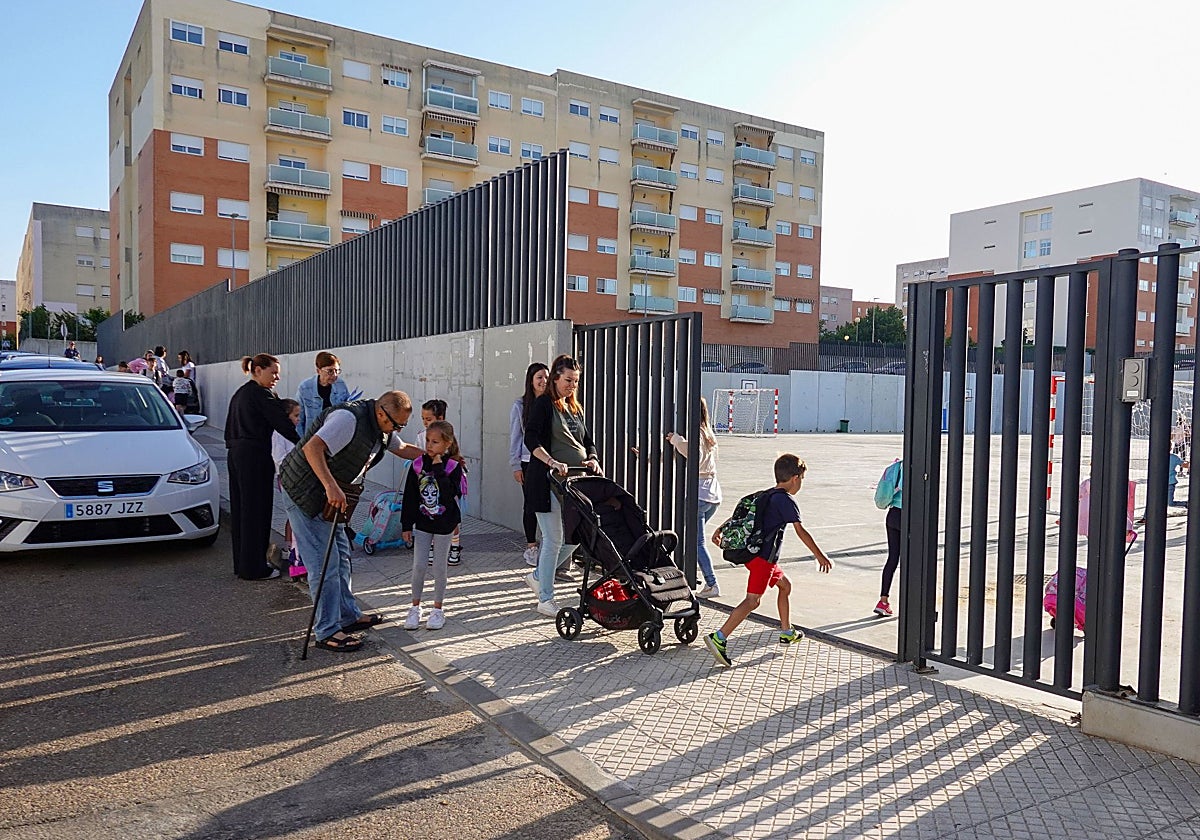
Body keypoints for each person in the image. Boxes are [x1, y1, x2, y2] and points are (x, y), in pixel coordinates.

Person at [279, 390, 423, 652]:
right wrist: (331, 486)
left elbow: (401, 449)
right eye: (397, 424)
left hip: (330, 497)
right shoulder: (348, 419)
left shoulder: (382, 426)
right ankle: (327, 631)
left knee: (342, 557)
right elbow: (313, 448)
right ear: (381, 412)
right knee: (325, 564)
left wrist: (437, 457)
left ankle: (348, 615)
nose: (398, 429)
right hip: (304, 492)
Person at [703, 454, 833, 667]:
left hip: (755, 556)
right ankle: (719, 637)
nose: (801, 483)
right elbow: (801, 532)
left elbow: (741, 517)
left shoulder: (765, 494)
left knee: (785, 585)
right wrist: (819, 555)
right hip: (763, 560)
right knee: (753, 601)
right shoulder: (786, 500)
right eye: (801, 479)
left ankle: (786, 631)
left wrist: (720, 528)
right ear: (795, 478)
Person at [523, 355, 601, 617]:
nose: (572, 386)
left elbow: (588, 440)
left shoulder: (574, 406)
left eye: (576, 381)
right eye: (568, 380)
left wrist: (592, 458)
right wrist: (551, 461)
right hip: (547, 483)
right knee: (554, 539)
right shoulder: (544, 404)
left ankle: (538, 576)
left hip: (573, 482)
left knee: (577, 536)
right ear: (555, 378)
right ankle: (545, 598)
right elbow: (531, 437)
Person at [225, 353, 300, 580]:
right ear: (258, 370)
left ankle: (243, 564)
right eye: (273, 372)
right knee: (256, 512)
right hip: (254, 458)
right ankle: (255, 568)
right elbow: (284, 424)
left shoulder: (241, 393)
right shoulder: (261, 394)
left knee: (242, 511)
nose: (276, 377)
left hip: (236, 455)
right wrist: (306, 445)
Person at [401, 420, 468, 631]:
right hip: (422, 523)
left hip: (444, 524)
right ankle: (415, 607)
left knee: (439, 567)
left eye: (435, 442)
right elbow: (410, 497)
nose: (430, 445)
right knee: (419, 566)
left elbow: (449, 495)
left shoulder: (453, 467)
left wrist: (439, 469)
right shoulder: (418, 465)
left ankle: (438, 609)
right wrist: (406, 525)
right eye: (428, 441)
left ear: (447, 444)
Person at [665, 396, 723, 598]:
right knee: (691, 537)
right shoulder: (708, 433)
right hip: (713, 494)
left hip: (699, 493)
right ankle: (685, 572)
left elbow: (693, 455)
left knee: (696, 541)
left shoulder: (696, 434)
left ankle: (712, 583)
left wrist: (677, 440)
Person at [510, 362, 549, 567]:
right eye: (539, 377)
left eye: (545, 377)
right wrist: (515, 465)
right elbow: (516, 437)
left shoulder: (553, 402)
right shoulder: (521, 405)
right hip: (528, 461)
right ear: (531, 381)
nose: (543, 381)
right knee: (530, 505)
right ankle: (531, 547)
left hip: (550, 462)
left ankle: (548, 546)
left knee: (549, 506)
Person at [417, 399, 463, 566]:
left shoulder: (447, 436)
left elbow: (454, 459)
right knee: (430, 513)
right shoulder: (420, 436)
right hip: (428, 484)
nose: (425, 422)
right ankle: (430, 546)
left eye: (429, 419)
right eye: (423, 418)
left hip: (446, 483)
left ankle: (455, 546)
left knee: (451, 515)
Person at [271, 399, 305, 580]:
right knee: (296, 514)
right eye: (296, 415)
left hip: (294, 478)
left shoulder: (289, 432)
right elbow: (279, 458)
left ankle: (289, 547)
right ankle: (293, 554)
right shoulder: (279, 434)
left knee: (293, 514)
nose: (299, 419)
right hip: (288, 479)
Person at [295, 351, 351, 437]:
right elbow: (299, 419)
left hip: (335, 435)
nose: (335, 375)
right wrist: (301, 443)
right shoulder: (305, 388)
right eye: (330, 371)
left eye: (337, 371)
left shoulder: (341, 385)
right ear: (318, 371)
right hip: (313, 437)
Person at [873, 458, 903, 617]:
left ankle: (883, 601)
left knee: (892, 559)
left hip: (892, 514)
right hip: (908, 516)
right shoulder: (915, 467)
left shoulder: (897, 466)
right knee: (911, 561)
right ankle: (909, 602)